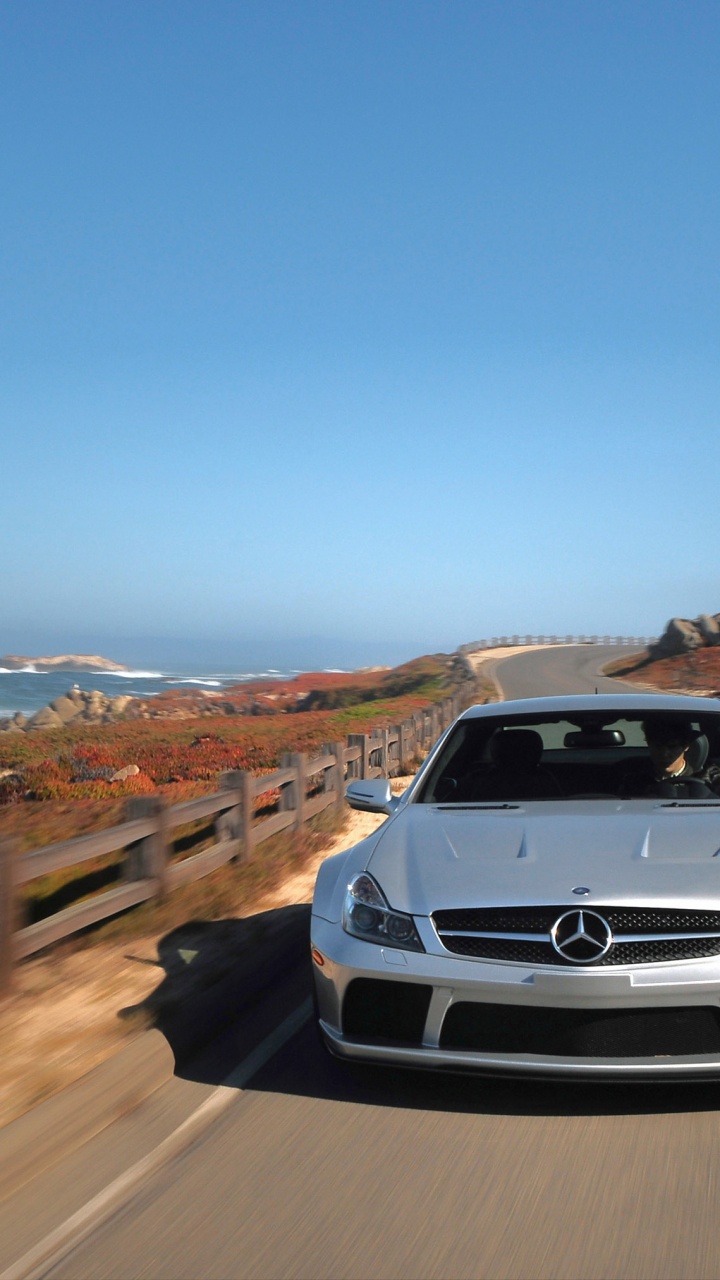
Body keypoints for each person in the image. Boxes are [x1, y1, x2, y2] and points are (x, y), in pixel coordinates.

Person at [641, 719, 720, 798]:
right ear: (649, 744)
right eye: (658, 746)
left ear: (686, 746)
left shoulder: (711, 777)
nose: (664, 754)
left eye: (672, 747)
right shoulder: (637, 777)